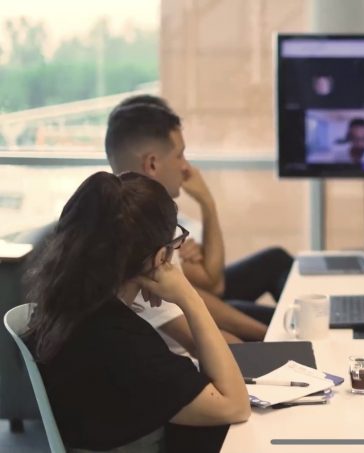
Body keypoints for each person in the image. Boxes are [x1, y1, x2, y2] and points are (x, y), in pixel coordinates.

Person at [24, 172, 250, 451]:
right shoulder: (123, 341)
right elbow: (235, 406)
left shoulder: (62, 303)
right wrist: (190, 299)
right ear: (160, 257)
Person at [105, 95, 292, 351]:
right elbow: (210, 295)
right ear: (152, 164)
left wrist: (270, 335)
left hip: (189, 337)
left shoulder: (141, 217)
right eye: (180, 155)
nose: (186, 167)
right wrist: (271, 339)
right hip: (185, 361)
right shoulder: (141, 236)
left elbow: (204, 289)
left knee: (275, 268)